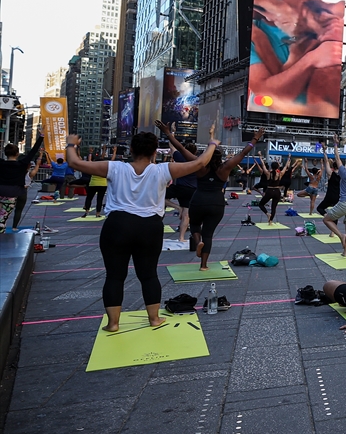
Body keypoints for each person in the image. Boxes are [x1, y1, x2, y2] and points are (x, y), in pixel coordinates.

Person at [65, 127, 217, 332]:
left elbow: (74, 162)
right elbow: (200, 162)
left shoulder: (115, 167)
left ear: (131, 149)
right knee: (148, 275)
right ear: (155, 152)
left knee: (114, 276)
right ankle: (154, 319)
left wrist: (72, 143)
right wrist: (212, 144)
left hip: (117, 225)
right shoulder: (163, 169)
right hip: (149, 227)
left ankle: (113, 323)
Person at [191, 129, 264, 272]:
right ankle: (204, 265)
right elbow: (243, 153)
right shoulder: (225, 167)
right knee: (209, 233)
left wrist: (169, 135)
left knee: (194, 224)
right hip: (217, 202)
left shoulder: (199, 165)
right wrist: (255, 138)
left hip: (198, 199)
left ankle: (197, 241)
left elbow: (181, 150)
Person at [1, 135, 43, 232]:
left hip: (1, 191)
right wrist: (41, 137)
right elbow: (33, 151)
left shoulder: (1, 163)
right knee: (4, 216)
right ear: (17, 154)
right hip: (13, 193)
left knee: (1, 216)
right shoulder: (22, 164)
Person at [252, 155, 293, 224]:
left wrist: (260, 157)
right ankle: (270, 221)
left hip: (269, 191)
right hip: (277, 192)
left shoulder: (268, 173)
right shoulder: (280, 173)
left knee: (261, 204)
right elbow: (286, 166)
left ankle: (267, 214)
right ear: (277, 167)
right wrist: (289, 158)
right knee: (273, 207)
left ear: (271, 167)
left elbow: (263, 165)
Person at [82, 147, 116, 217]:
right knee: (100, 199)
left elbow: (89, 160)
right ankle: (98, 213)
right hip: (102, 184)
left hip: (93, 184)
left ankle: (87, 211)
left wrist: (90, 153)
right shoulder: (105, 167)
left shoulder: (93, 167)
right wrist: (114, 151)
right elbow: (112, 160)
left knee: (89, 198)